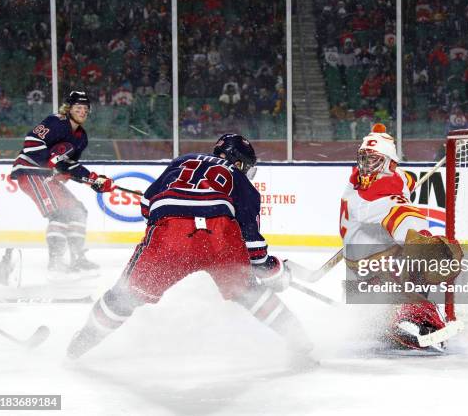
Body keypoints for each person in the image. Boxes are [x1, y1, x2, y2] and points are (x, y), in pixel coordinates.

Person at [66, 134, 314, 365]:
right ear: (239, 164)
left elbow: (146, 207)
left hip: (170, 234)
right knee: (249, 292)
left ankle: (81, 343)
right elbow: (253, 250)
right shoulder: (242, 183)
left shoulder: (182, 161)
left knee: (125, 295)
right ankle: (300, 341)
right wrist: (277, 273)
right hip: (220, 234)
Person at [340, 123, 463, 351]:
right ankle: (417, 317)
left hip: (359, 264)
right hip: (374, 265)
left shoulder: (360, 179)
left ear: (389, 164)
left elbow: (405, 180)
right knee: (420, 258)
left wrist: (408, 183)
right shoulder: (376, 194)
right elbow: (405, 218)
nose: (366, 166)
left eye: (372, 160)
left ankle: (387, 320)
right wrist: (426, 242)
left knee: (405, 258)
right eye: (364, 159)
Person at [10, 91, 114, 276]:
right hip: (31, 172)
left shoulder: (81, 137)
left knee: (78, 210)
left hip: (46, 177)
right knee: (60, 215)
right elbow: (31, 141)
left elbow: (68, 166)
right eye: (78, 108)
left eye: (85, 109)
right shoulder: (55, 121)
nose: (82, 112)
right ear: (68, 109)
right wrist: (49, 160)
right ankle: (56, 263)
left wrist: (93, 179)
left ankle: (76, 258)